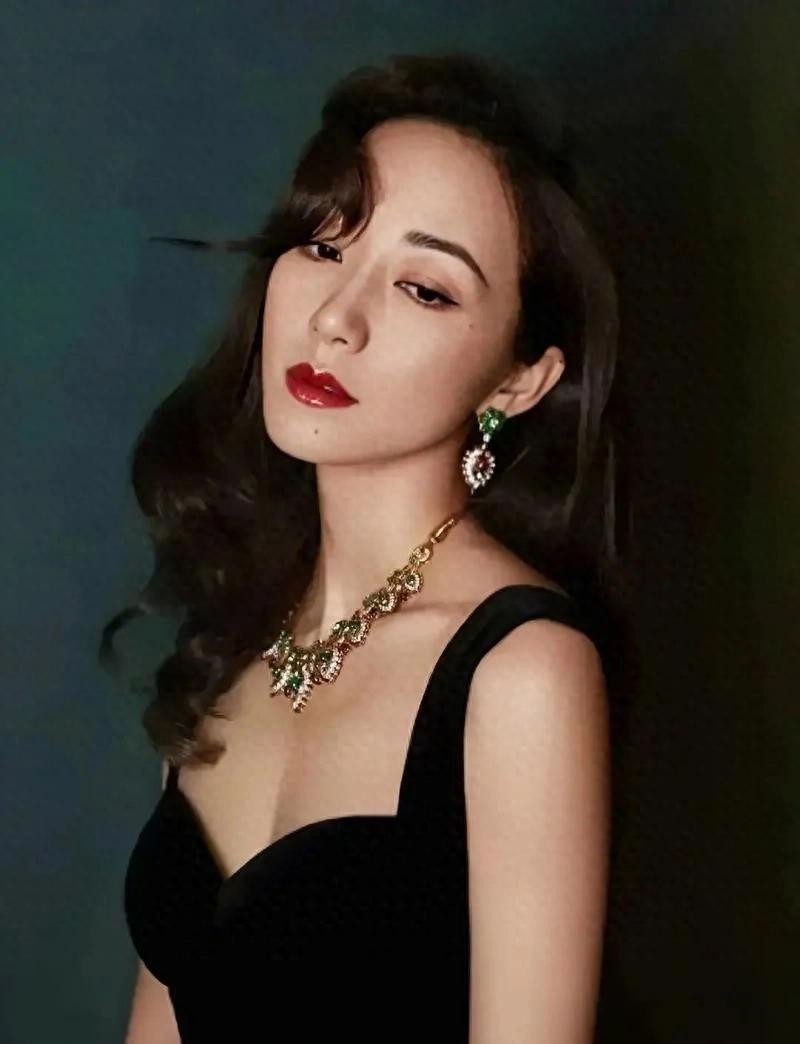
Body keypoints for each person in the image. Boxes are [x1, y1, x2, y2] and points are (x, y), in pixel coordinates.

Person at [109, 50, 626, 1044]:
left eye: (423, 288)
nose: (335, 319)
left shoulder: (521, 670)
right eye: (323, 244)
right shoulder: (233, 636)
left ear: (519, 380)